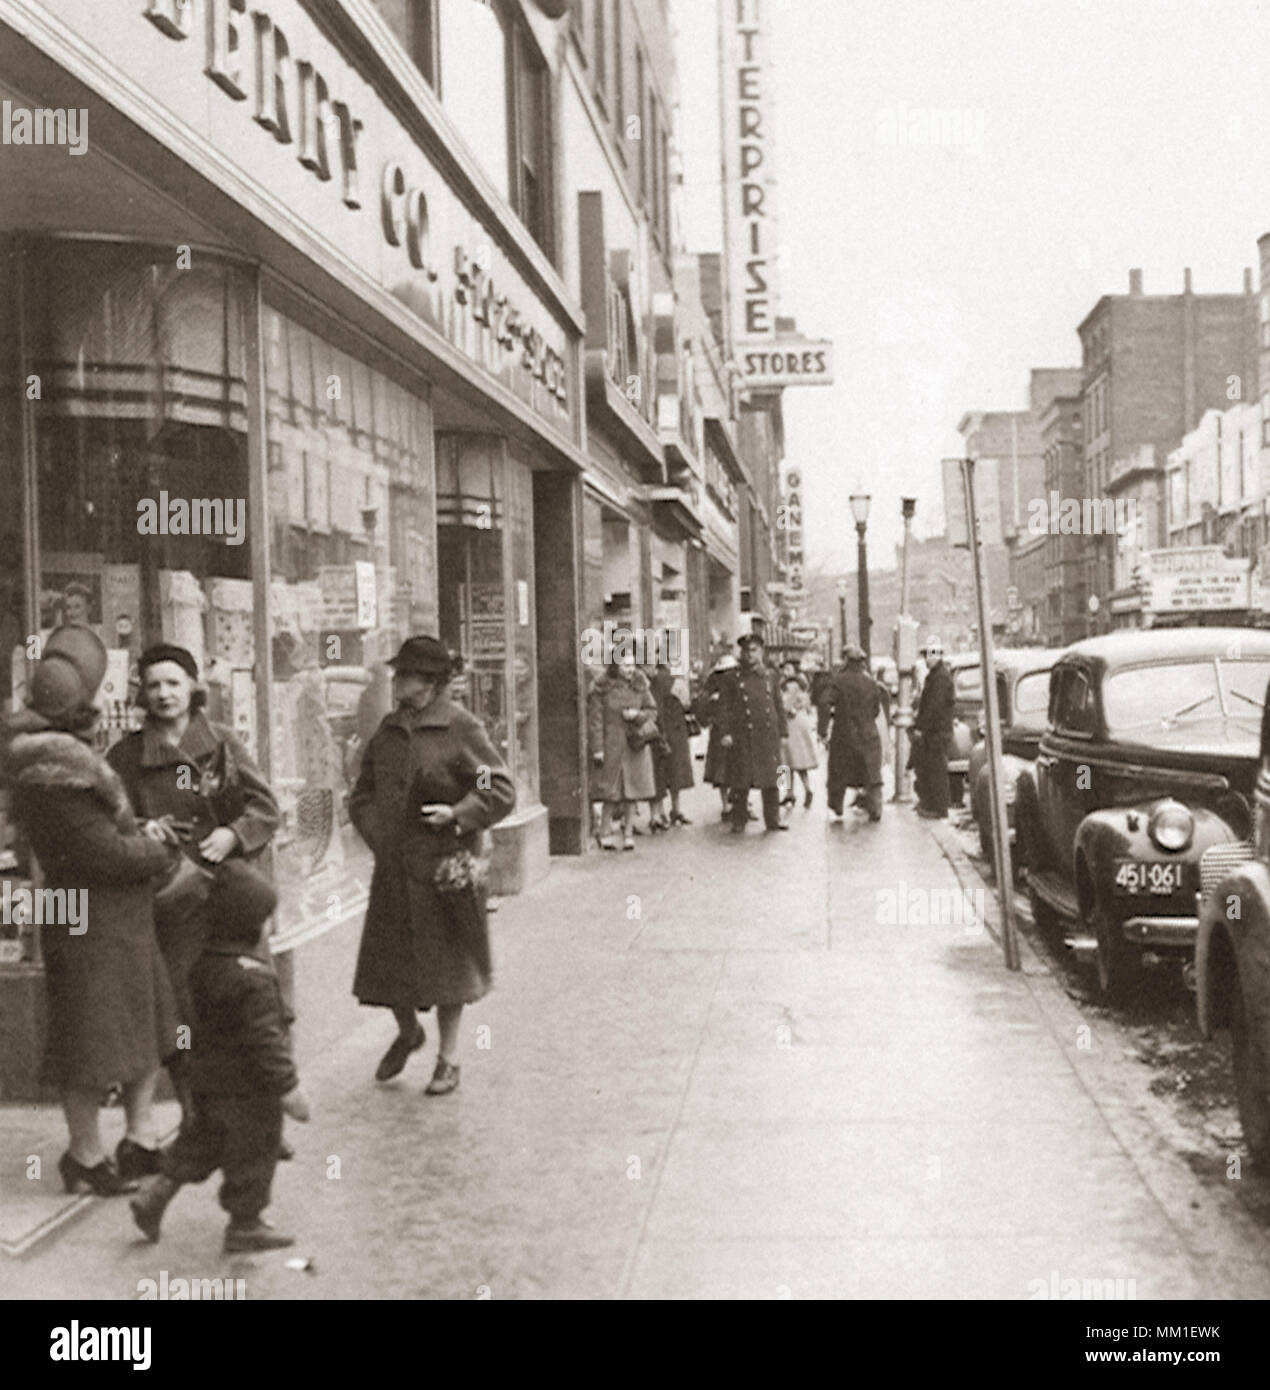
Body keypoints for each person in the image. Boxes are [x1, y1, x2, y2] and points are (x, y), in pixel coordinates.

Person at [1, 626, 179, 1194]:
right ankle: (85, 1155)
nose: (108, 699)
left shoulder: (65, 762)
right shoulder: (53, 773)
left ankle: (140, 1138)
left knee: (142, 1032)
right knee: (89, 1044)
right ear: (77, 708)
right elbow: (99, 854)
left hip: (110, 918)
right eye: (100, 692)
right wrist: (157, 848)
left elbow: (101, 837)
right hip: (88, 920)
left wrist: (137, 832)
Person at [108, 644, 281, 1142]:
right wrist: (144, 827)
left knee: (250, 1006)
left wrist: (233, 835)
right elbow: (109, 821)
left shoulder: (221, 743)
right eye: (154, 685)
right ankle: (194, 1114)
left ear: (192, 688)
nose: (163, 695)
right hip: (172, 899)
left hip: (230, 899)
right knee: (184, 1013)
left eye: (173, 683)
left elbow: (265, 808)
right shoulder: (126, 756)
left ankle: (261, 1114)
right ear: (142, 693)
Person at [350, 636, 515, 1095]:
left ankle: (449, 1058)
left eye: (405, 674)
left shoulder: (461, 728)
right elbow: (362, 793)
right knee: (388, 967)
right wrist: (378, 834)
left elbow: (496, 787)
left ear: (428, 682)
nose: (396, 680)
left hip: (443, 870)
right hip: (395, 869)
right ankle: (408, 1032)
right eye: (398, 673)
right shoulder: (388, 730)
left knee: (448, 974)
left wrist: (458, 814)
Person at [129, 889, 310, 1252]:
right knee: (254, 1153)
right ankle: (246, 1223)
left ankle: (157, 1195)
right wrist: (289, 1088)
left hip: (207, 1080)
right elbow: (266, 1042)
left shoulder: (204, 965)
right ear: (250, 928)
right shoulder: (253, 978)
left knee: (200, 1143)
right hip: (249, 1091)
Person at [587, 648, 658, 851]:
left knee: (632, 792)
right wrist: (598, 748)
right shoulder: (601, 687)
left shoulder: (640, 684)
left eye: (632, 664)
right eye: (625, 665)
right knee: (611, 791)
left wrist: (637, 715)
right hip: (612, 745)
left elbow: (652, 711)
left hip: (635, 744)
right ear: (615, 665)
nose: (629, 669)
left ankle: (628, 832)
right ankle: (605, 831)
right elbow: (596, 720)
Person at [718, 633, 788, 834]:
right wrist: (725, 732)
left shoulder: (771, 676)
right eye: (746, 651)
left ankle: (773, 819)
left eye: (754, 650)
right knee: (741, 779)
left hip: (768, 735)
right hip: (743, 735)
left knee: (774, 778)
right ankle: (739, 819)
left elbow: (778, 704)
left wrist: (783, 731)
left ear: (762, 652)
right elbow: (724, 707)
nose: (750, 655)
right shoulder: (732, 677)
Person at [819, 644, 884, 822]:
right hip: (868, 734)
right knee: (871, 773)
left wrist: (823, 730)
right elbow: (876, 709)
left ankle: (836, 805)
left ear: (846, 660)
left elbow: (824, 703)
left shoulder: (838, 680)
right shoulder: (871, 682)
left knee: (838, 771)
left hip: (845, 734)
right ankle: (875, 807)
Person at [912, 636, 955, 820]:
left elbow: (934, 707)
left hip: (937, 733)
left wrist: (922, 728)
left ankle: (939, 808)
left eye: (928, 656)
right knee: (931, 768)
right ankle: (931, 804)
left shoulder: (939, 678)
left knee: (937, 770)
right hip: (936, 732)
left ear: (935, 656)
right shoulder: (938, 676)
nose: (925, 660)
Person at [648, 661, 695, 827]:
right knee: (672, 772)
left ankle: (662, 812)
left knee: (663, 772)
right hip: (672, 729)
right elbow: (686, 703)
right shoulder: (667, 679)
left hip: (668, 729)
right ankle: (672, 810)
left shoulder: (659, 678)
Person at [696, 652, 738, 821]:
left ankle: (731, 804)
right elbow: (702, 705)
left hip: (724, 730)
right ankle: (729, 804)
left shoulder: (713, 685)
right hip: (723, 730)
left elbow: (701, 705)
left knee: (729, 768)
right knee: (726, 768)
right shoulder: (717, 687)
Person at [779, 664, 818, 809]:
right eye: (784, 669)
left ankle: (789, 793)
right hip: (800, 723)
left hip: (790, 724)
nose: (785, 672)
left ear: (794, 671)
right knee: (799, 761)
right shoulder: (802, 684)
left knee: (786, 760)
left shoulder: (790, 685)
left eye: (788, 669)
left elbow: (784, 705)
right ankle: (805, 789)